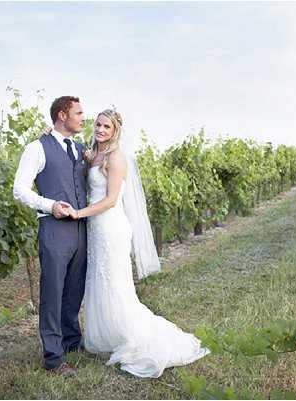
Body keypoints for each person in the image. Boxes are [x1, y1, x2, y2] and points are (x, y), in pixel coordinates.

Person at [64, 108, 210, 378]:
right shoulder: (93, 154)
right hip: (95, 229)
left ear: (115, 131)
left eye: (107, 127)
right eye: (98, 124)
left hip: (109, 227)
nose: (101, 130)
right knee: (98, 281)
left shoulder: (116, 159)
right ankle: (104, 336)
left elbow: (109, 201)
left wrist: (78, 213)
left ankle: (127, 334)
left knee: (115, 284)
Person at [12, 96, 88, 376]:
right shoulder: (36, 148)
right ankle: (53, 357)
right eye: (78, 113)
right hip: (54, 228)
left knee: (74, 289)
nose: (83, 118)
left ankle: (72, 342)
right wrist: (50, 205)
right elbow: (19, 189)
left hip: (81, 227)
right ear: (61, 115)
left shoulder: (80, 149)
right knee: (53, 292)